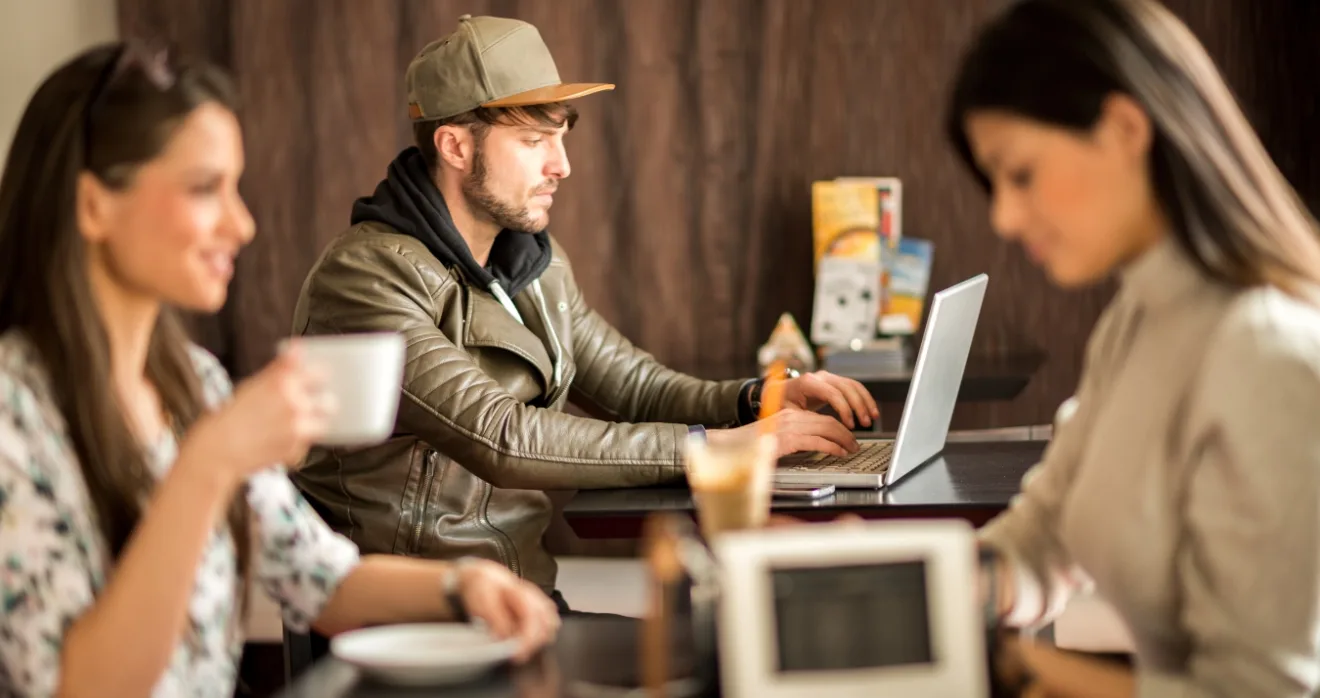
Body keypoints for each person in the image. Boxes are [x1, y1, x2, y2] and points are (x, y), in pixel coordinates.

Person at [0, 42, 559, 698]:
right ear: (93, 205)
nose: (242, 225)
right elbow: (78, 687)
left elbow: (320, 582)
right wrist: (206, 466)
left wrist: (460, 584)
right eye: (206, 189)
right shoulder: (16, 416)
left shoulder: (195, 386)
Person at [289, 14, 880, 603]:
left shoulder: (531, 264)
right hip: (419, 619)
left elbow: (638, 388)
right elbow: (502, 437)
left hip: (523, 603)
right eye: (533, 140)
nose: (561, 165)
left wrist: (761, 400)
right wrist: (718, 449)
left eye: (562, 135)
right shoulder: (366, 278)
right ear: (456, 146)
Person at [946, 0, 1320, 695]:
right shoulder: (1137, 317)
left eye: (1019, 174)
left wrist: (1032, 667)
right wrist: (897, 582)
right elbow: (1044, 538)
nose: (1003, 215)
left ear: (1125, 128)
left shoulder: (1269, 356)